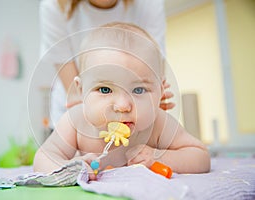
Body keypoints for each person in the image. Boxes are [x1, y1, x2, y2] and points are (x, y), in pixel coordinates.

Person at [33, 22, 211, 180]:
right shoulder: (75, 121)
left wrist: (159, 157)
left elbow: (200, 156)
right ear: (81, 91)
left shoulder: (158, 122)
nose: (123, 106)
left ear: (159, 93)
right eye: (105, 89)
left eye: (138, 90)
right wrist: (70, 168)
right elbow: (43, 158)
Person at [39, 0, 175, 127]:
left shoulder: (149, 4)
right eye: (105, 89)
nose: (121, 106)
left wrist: (151, 101)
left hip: (136, 117)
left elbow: (154, 75)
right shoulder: (54, 7)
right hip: (79, 113)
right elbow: (75, 94)